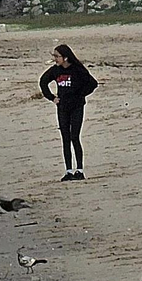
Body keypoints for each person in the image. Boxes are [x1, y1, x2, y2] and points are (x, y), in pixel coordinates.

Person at [39, 43, 98, 181]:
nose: (55, 59)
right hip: (62, 108)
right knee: (65, 138)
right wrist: (52, 97)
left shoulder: (77, 69)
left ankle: (79, 170)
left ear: (65, 57)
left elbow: (92, 83)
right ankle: (68, 171)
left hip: (77, 107)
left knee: (74, 137)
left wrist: (80, 95)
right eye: (54, 56)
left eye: (57, 56)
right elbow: (43, 82)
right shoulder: (55, 70)